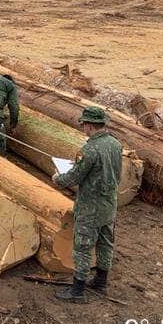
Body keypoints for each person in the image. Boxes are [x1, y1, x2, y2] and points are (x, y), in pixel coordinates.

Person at [52, 106, 122, 303]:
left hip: (90, 206)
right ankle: (101, 281)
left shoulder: (89, 149)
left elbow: (74, 177)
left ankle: (77, 291)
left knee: (82, 246)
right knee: (105, 242)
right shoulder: (115, 144)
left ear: (90, 125)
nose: (83, 128)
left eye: (84, 125)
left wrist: (58, 178)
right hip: (109, 203)